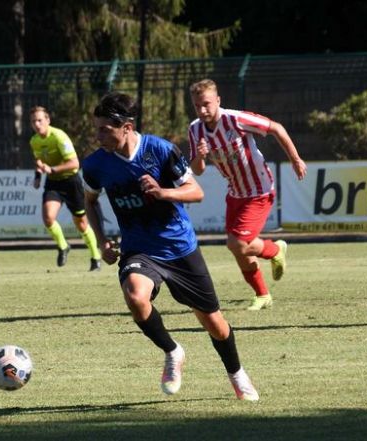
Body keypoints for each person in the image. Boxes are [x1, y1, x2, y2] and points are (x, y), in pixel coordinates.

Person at [82, 92, 259, 401]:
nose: (97, 136)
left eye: (103, 129)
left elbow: (196, 192)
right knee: (136, 296)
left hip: (179, 247)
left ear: (126, 126)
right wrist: (101, 241)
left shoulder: (160, 151)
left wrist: (163, 193)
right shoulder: (96, 165)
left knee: (214, 324)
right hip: (139, 248)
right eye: (96, 128)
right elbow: (89, 201)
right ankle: (173, 351)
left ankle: (237, 374)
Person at [187, 79, 307, 310]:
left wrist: (295, 159)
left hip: (259, 190)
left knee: (238, 244)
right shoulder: (195, 129)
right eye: (197, 106)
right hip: (235, 192)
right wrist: (200, 156)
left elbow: (276, 128)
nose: (202, 110)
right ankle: (263, 295)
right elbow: (198, 170)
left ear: (218, 101)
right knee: (238, 248)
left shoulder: (235, 119)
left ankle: (275, 249)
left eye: (206, 104)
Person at [29, 106, 102, 271]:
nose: (37, 124)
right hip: (53, 183)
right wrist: (38, 177)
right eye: (33, 121)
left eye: (40, 120)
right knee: (48, 217)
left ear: (48, 120)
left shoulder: (59, 136)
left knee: (81, 223)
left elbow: (75, 163)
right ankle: (63, 246)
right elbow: (39, 162)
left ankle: (95, 256)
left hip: (71, 182)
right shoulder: (34, 141)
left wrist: (52, 169)